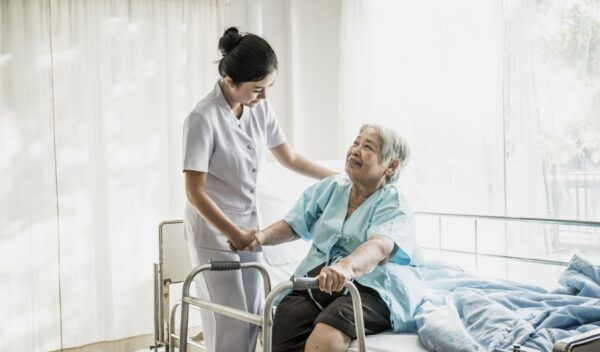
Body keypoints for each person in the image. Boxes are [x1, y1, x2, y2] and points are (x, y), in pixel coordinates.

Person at [182, 27, 335, 352]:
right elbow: (195, 191)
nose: (263, 97)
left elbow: (290, 158)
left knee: (255, 315)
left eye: (268, 88)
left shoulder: (258, 107)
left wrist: (338, 178)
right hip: (213, 230)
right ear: (230, 82)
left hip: (248, 229)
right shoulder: (202, 118)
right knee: (230, 320)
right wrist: (232, 232)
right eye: (257, 89)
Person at [234, 123, 425, 352]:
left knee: (329, 329)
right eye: (356, 142)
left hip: (373, 287)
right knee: (286, 316)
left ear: (391, 166)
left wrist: (345, 267)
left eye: (368, 147)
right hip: (321, 282)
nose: (355, 150)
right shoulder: (332, 187)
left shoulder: (392, 201)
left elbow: (379, 246)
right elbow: (294, 224)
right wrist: (260, 237)